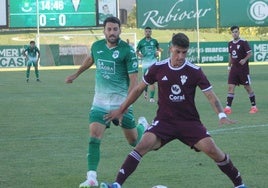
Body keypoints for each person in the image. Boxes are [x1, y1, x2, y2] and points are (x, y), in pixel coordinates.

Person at [101, 33, 247, 188]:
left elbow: (211, 96)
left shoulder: (195, 71)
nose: (181, 56)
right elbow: (137, 90)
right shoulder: (157, 68)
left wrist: (222, 114)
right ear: (170, 48)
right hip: (164, 122)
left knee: (212, 150)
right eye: (177, 51)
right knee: (142, 145)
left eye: (184, 52)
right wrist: (121, 109)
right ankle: (117, 184)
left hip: (189, 122)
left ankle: (239, 185)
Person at [65, 17, 148, 188]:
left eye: (115, 29)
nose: (112, 32)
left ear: (120, 31)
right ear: (104, 31)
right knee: (94, 136)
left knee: (133, 141)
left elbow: (134, 81)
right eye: (109, 29)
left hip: (121, 102)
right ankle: (91, 177)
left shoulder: (127, 51)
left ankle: (142, 126)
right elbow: (90, 60)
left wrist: (124, 107)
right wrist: (76, 74)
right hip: (100, 101)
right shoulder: (97, 47)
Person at [224, 25, 258, 114]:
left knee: (247, 87)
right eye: (233, 32)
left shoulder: (243, 42)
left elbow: (250, 53)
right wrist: (229, 66)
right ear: (231, 33)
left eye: (236, 32)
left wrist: (244, 59)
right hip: (234, 69)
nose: (234, 33)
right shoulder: (230, 43)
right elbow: (230, 56)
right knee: (231, 87)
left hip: (243, 69)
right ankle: (228, 108)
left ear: (239, 32)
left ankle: (254, 106)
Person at [136, 26, 161, 102]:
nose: (148, 33)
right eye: (146, 31)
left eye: (149, 31)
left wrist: (158, 53)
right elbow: (137, 51)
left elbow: (159, 49)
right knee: (145, 80)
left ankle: (152, 98)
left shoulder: (155, 41)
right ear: (144, 32)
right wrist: (140, 55)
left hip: (153, 63)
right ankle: (145, 91)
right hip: (145, 63)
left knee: (152, 80)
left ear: (151, 32)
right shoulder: (141, 42)